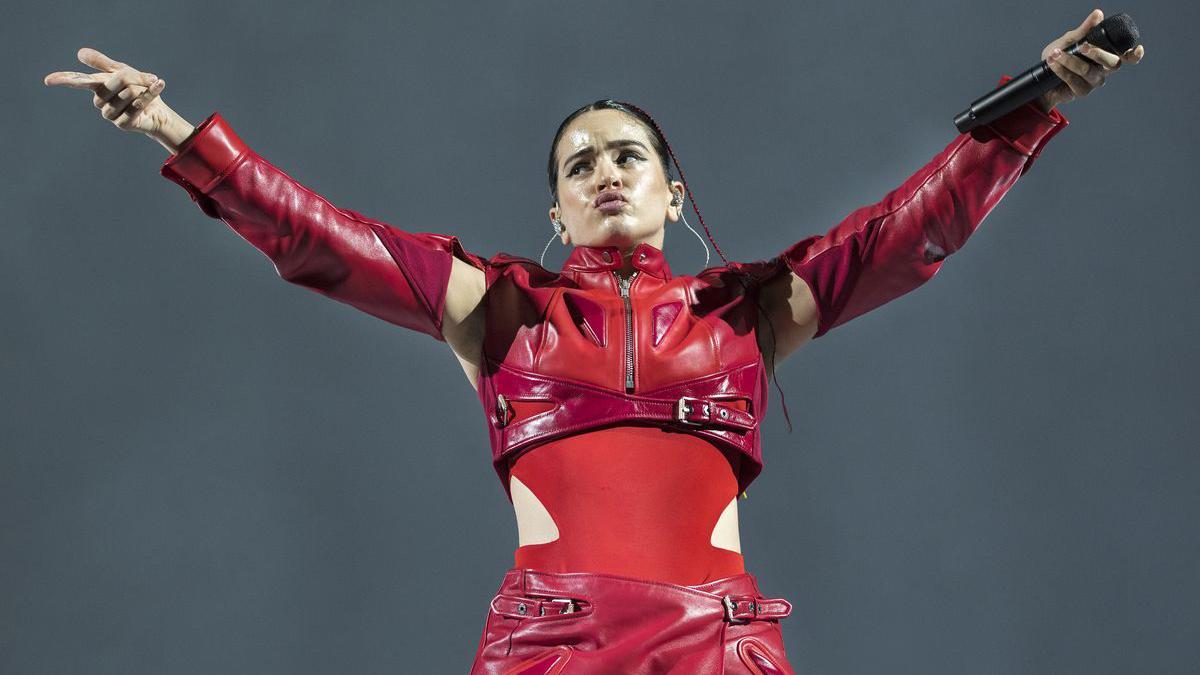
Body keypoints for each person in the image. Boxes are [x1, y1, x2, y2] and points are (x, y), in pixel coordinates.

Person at [44, 9, 1143, 674]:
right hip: (548, 649)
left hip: (722, 648)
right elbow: (323, 241)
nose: (606, 170)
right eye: (581, 164)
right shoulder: (500, 309)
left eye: (629, 156)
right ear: (558, 214)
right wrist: (177, 132)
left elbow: (911, 231)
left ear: (672, 193)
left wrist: (1028, 111)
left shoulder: (747, 314)